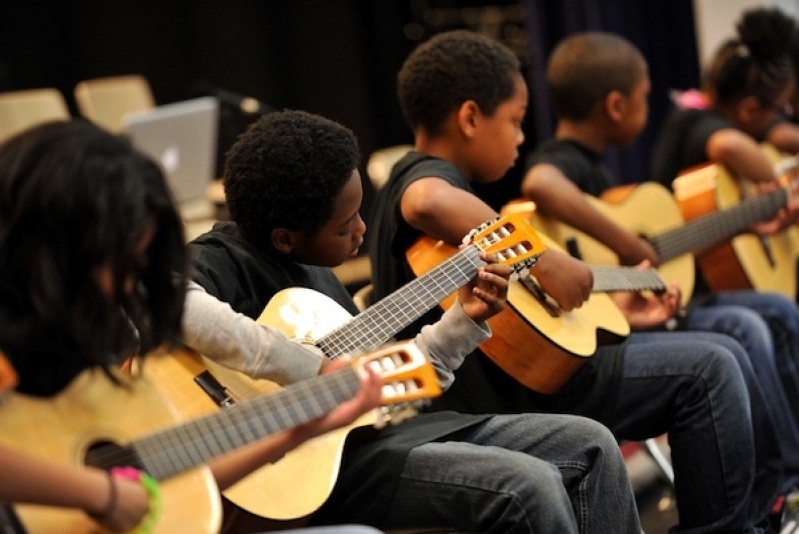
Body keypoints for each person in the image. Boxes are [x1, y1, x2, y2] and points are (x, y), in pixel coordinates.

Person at [367, 29, 783, 533]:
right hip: (500, 399)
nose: (523, 139)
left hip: (522, 378)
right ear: (471, 117)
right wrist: (541, 258)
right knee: (711, 367)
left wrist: (619, 315)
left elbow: (518, 315)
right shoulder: (425, 174)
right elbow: (427, 201)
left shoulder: (447, 186)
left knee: (724, 354)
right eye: (517, 122)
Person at [187, 108, 643, 533]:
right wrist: (308, 367)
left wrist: (463, 321)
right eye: (345, 227)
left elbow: (388, 384)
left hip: (386, 436)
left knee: (592, 443)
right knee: (527, 486)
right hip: (316, 469)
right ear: (284, 239)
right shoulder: (221, 259)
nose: (362, 230)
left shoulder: (316, 273)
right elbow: (173, 306)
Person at [0, 120, 384, 534]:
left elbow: (168, 483)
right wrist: (100, 494)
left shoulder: (89, 362)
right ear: (53, 251)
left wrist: (299, 429)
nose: (131, 286)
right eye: (122, 265)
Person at [521, 31, 799, 498]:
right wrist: (627, 244)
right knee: (748, 324)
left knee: (770, 311)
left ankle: (781, 484)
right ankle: (781, 490)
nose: (649, 106)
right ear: (615, 105)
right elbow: (539, 182)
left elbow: (665, 244)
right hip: (609, 332)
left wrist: (744, 225)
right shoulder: (562, 159)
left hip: (634, 314)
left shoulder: (599, 170)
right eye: (644, 96)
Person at [651, 7, 799, 403]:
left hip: (705, 272)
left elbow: (780, 135)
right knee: (774, 314)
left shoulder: (710, 112)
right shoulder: (697, 125)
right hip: (684, 285)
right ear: (750, 109)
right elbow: (730, 145)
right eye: (779, 107)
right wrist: (774, 186)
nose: (782, 116)